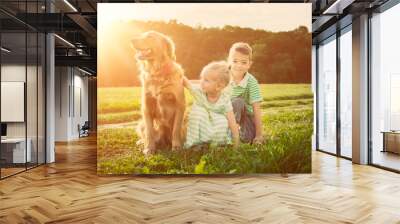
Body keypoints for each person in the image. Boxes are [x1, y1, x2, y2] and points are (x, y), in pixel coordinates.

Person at [183, 61, 239, 149]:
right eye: (202, 78)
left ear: (219, 87)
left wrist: (236, 145)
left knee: (222, 121)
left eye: (206, 80)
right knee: (197, 112)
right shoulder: (199, 92)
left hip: (216, 128)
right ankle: (195, 144)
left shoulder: (224, 100)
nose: (201, 82)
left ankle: (217, 144)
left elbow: (232, 123)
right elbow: (187, 83)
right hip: (202, 125)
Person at [227, 42, 264, 144]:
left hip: (246, 120)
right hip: (225, 117)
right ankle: (225, 135)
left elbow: (256, 109)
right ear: (229, 61)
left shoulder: (251, 82)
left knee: (238, 102)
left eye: (243, 62)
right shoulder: (224, 77)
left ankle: (235, 136)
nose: (239, 65)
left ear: (249, 64)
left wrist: (259, 135)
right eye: (235, 61)